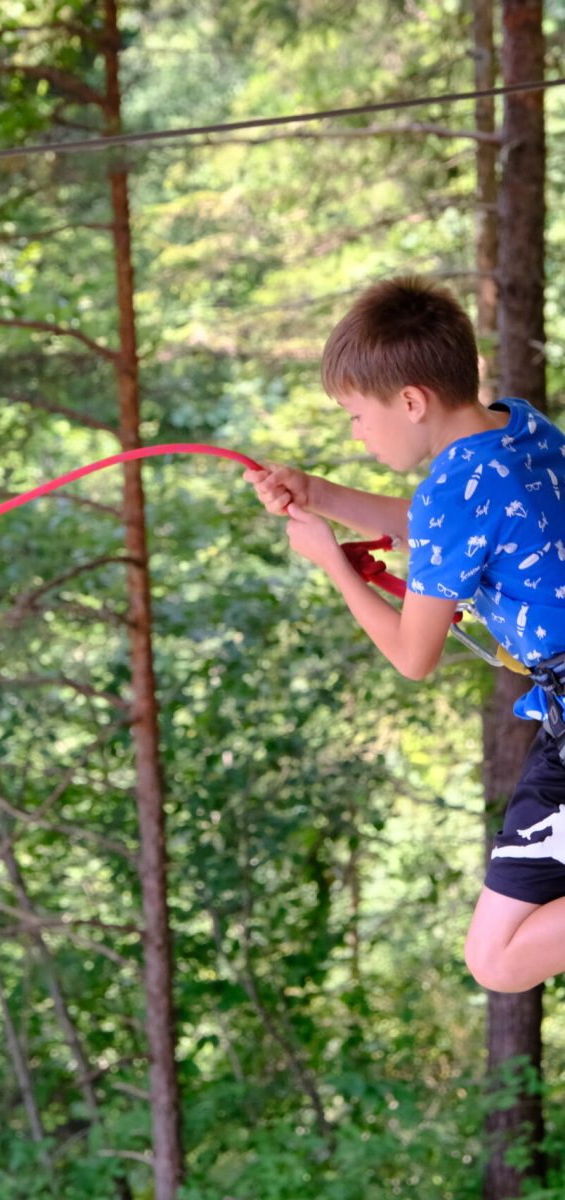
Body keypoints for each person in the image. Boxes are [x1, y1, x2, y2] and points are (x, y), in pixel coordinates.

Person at [244, 275, 565, 995]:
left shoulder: (456, 490)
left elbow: (413, 656)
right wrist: (318, 492)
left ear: (411, 401)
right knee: (497, 954)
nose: (355, 432)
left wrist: (331, 559)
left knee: (500, 958)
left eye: (357, 415)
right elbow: (441, 526)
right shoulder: (518, 427)